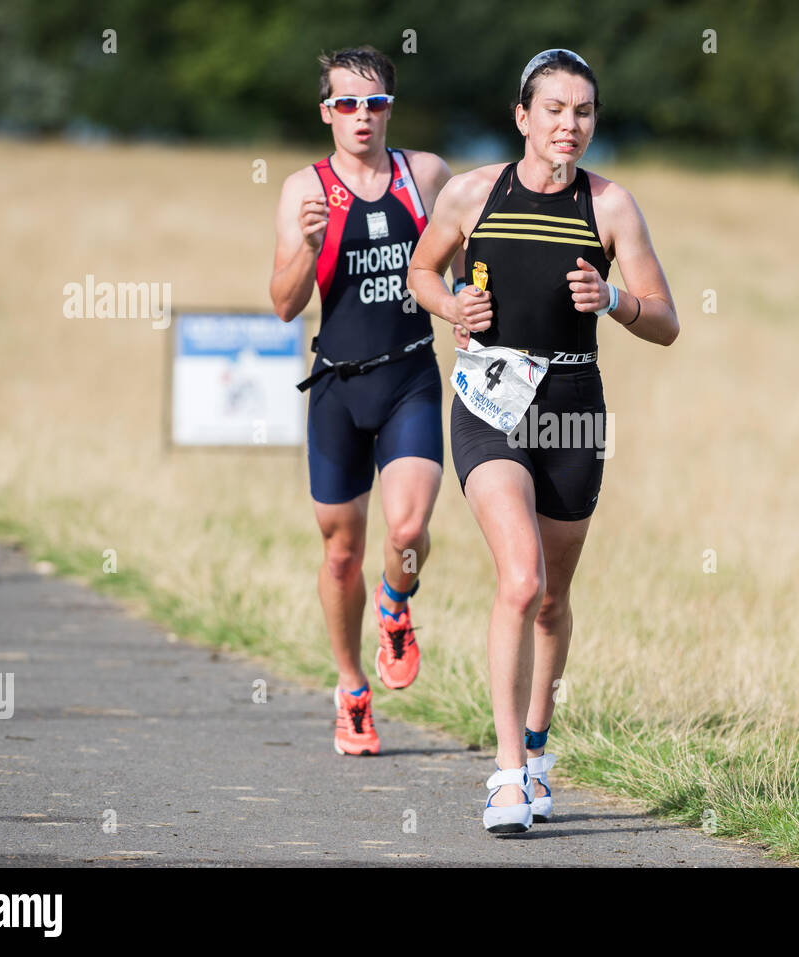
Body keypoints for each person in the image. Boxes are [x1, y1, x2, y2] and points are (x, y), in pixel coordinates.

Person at [407, 49, 679, 832]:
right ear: (522, 117)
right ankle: (506, 774)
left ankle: (537, 742)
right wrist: (453, 306)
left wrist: (615, 299)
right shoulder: (471, 193)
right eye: (554, 109)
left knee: (554, 596)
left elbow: (666, 320)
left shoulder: (612, 206)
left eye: (584, 111)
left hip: (572, 407)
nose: (570, 124)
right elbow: (424, 274)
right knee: (519, 580)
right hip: (490, 400)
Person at [270, 46, 461, 756]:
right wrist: (307, 247)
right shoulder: (304, 190)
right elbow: (286, 305)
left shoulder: (427, 175)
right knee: (342, 551)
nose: (361, 116)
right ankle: (352, 686)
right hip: (337, 389)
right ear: (326, 112)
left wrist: (470, 310)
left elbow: (462, 264)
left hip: (409, 375)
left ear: (390, 109)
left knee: (407, 533)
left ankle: (396, 605)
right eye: (346, 103)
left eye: (374, 103)